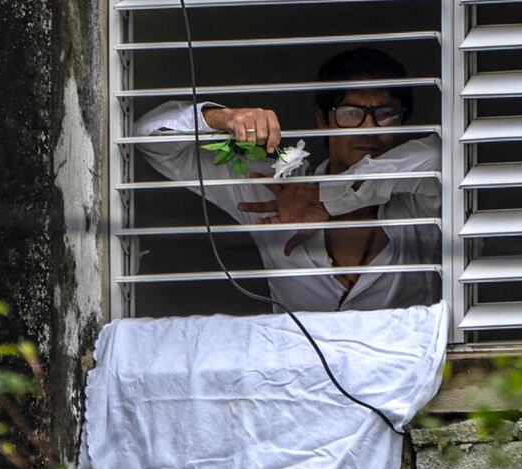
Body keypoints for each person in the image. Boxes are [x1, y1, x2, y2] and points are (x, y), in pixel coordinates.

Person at [133, 47, 441, 313]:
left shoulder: (418, 198)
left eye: (386, 113)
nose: (369, 129)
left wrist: (327, 199)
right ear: (322, 119)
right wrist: (224, 118)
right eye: (350, 113)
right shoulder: (275, 190)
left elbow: (440, 153)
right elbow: (150, 140)